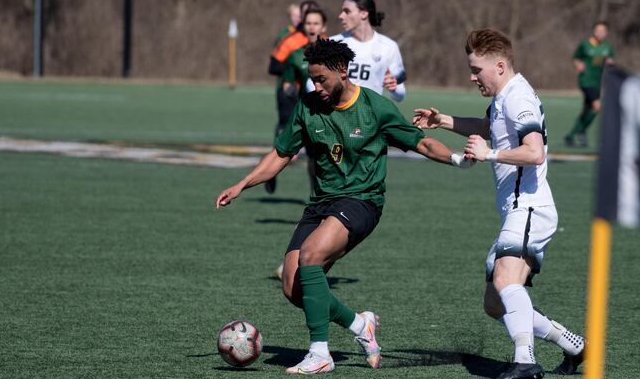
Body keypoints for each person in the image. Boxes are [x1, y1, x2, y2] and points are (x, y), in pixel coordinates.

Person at [217, 38, 466, 374]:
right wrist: (242, 185)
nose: (316, 86)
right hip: (321, 204)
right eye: (312, 79)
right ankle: (360, 325)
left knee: (311, 256)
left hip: (362, 201)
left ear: (343, 71)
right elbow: (281, 154)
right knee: (294, 288)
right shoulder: (307, 106)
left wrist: (456, 158)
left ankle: (320, 353)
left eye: (321, 79)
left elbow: (420, 141)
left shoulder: (376, 108)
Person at [413, 29, 585, 379]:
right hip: (517, 210)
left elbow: (534, 152)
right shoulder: (505, 96)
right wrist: (444, 120)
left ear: (501, 66)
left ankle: (525, 361)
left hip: (530, 207)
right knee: (495, 302)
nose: (472, 77)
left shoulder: (518, 97)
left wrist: (490, 154)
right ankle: (574, 345)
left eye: (477, 70)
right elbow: (491, 126)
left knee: (508, 281)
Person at [306, 0, 407, 102]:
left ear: (363, 13)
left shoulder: (389, 46)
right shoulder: (333, 43)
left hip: (370, 116)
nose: (341, 16)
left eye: (347, 11)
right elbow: (311, 83)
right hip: (339, 114)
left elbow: (400, 95)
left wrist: (394, 88)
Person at [265, 0, 321, 194]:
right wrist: (296, 68)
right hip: (289, 93)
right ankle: (270, 171)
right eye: (304, 16)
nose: (308, 22)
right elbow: (273, 66)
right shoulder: (290, 40)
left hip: (315, 96)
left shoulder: (327, 40)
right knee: (285, 131)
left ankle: (317, 192)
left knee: (316, 150)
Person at [564, 21, 615, 147]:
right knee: (597, 106)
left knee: (587, 111)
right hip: (586, 81)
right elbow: (576, 57)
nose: (600, 33)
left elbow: (611, 60)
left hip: (597, 82)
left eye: (603, 31)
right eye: (598, 30)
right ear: (594, 31)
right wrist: (578, 63)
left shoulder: (607, 46)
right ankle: (580, 131)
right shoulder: (585, 45)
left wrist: (610, 63)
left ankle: (571, 135)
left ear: (606, 33)